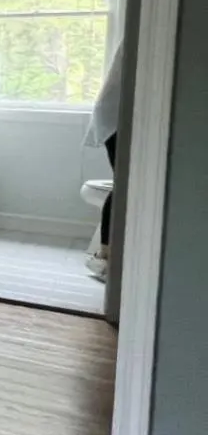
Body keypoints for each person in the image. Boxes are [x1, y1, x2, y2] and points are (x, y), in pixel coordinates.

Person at [85, 45, 123, 278]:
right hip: (116, 118)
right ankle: (105, 257)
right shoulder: (142, 36)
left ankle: (106, 255)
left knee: (122, 186)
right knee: (123, 186)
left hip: (114, 115)